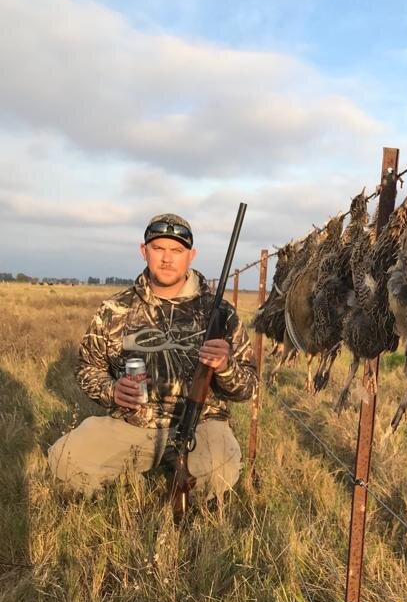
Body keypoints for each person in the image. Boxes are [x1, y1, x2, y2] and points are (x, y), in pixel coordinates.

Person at [48, 214, 257, 505]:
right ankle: (137, 473)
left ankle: (178, 482)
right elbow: (87, 367)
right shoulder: (116, 309)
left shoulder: (220, 313)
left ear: (191, 255)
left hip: (202, 425)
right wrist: (112, 390)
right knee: (64, 460)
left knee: (217, 475)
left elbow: (248, 388)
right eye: (159, 248)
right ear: (143, 251)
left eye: (177, 250)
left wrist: (226, 367)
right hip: (134, 425)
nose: (167, 259)